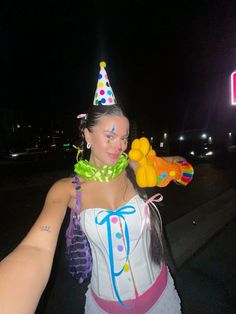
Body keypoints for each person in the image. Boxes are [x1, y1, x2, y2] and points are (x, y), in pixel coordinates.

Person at [0, 62, 193, 314]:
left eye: (123, 137)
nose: (119, 146)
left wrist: (163, 166)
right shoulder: (67, 189)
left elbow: (187, 172)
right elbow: (35, 248)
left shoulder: (135, 167)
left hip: (162, 302)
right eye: (110, 136)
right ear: (88, 136)